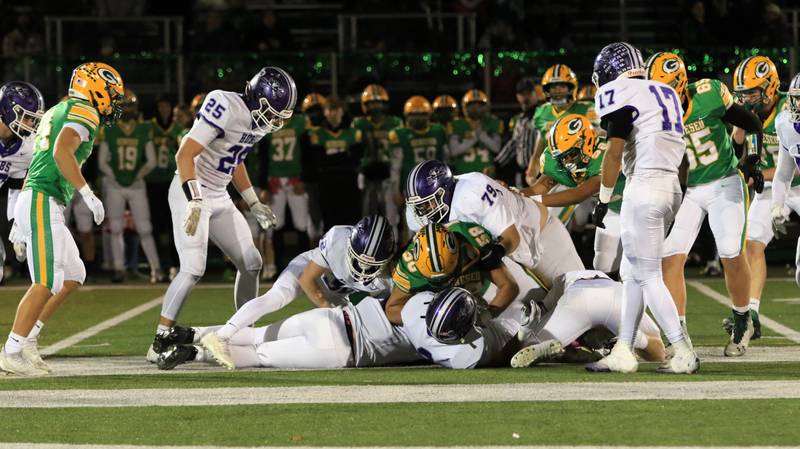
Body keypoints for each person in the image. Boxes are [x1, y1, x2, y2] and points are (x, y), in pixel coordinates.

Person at [147, 67, 294, 363]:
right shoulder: (225, 104)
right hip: (191, 189)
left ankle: (244, 333)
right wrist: (194, 198)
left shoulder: (257, 122)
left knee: (251, 263)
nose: (275, 121)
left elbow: (234, 159)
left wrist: (253, 202)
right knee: (193, 268)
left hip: (219, 194)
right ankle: (160, 340)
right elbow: (184, 154)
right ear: (257, 98)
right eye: (272, 113)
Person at [0, 63, 123, 376]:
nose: (113, 101)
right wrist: (87, 193)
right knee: (46, 281)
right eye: (111, 93)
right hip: (42, 198)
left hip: (39, 198)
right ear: (95, 89)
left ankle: (28, 338)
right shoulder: (85, 111)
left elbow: (36, 163)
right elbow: (60, 153)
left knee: (73, 274)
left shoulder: (59, 109)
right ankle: (11, 350)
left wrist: (18, 218)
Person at [156, 215, 398, 370]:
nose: (363, 269)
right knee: (276, 298)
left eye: (372, 264)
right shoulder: (338, 239)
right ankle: (222, 335)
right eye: (358, 259)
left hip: (338, 293)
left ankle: (190, 334)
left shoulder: (392, 278)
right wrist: (328, 310)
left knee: (266, 334)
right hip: (312, 272)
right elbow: (307, 279)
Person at [587, 42, 698, 374]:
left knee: (648, 274)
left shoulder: (619, 93)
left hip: (645, 185)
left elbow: (613, 153)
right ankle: (623, 349)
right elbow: (682, 156)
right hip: (671, 184)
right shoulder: (664, 91)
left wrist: (603, 199)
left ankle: (682, 350)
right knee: (631, 272)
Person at [647, 52, 764, 357]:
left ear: (680, 84)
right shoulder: (653, 114)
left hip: (724, 181)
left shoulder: (708, 94)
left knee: (730, 252)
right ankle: (678, 335)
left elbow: (751, 123)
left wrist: (752, 160)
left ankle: (743, 321)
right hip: (689, 190)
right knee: (670, 258)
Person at [404, 159, 584, 289]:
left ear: (444, 191)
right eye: (418, 207)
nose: (422, 212)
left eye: (426, 204)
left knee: (576, 293)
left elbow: (511, 238)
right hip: (510, 255)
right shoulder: (417, 215)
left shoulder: (472, 193)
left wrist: (495, 252)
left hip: (538, 234)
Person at [518, 114, 625, 272]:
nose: (567, 162)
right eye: (562, 157)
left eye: (571, 154)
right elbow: (537, 188)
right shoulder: (564, 161)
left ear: (587, 142)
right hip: (612, 210)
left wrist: (537, 200)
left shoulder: (605, 153)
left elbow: (580, 193)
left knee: (636, 263)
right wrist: (515, 193)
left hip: (637, 206)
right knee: (603, 264)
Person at [511, 270, 666, 368]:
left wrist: (527, 331)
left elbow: (543, 312)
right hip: (616, 297)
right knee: (656, 351)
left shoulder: (563, 278)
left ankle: (548, 348)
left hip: (578, 297)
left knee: (525, 348)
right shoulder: (620, 288)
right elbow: (659, 353)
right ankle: (631, 338)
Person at [735, 56, 787, 341]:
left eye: (753, 92)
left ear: (770, 86)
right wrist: (740, 122)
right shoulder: (749, 112)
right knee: (752, 246)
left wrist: (759, 174)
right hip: (770, 188)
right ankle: (752, 314)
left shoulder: (792, 108)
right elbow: (738, 148)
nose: (748, 99)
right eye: (744, 93)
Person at [97, 89, 161, 283]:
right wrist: (118, 177)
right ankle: (119, 268)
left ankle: (155, 268)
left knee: (144, 228)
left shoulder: (143, 129)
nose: (126, 110)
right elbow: (102, 162)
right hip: (117, 185)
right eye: (123, 106)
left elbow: (152, 160)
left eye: (129, 106)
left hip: (133, 185)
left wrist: (136, 176)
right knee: (116, 227)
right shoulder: (109, 129)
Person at [260, 94, 311, 280]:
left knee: (302, 225)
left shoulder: (300, 123)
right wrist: (264, 185)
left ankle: (306, 269)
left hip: (295, 179)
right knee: (276, 226)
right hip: (275, 180)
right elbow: (263, 157)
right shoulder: (268, 123)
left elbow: (307, 153)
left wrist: (304, 179)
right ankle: (281, 269)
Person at [387, 96, 447, 238]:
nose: (418, 118)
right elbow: (396, 167)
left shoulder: (438, 131)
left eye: (421, 114)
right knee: (413, 227)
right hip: (413, 186)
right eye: (414, 115)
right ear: (406, 116)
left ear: (429, 115)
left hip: (436, 184)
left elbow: (445, 160)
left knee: (441, 221)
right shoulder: (400, 134)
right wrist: (396, 190)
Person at [526, 64, 598, 182]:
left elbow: (599, 143)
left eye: (562, 86)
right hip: (555, 174)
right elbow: (538, 152)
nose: (557, 91)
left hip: (584, 172)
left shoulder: (587, 109)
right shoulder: (542, 112)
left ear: (571, 88)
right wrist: (531, 175)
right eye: (553, 87)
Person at [0, 81, 42, 282]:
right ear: (7, 111)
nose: (31, 125)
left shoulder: (25, 148)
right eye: (26, 117)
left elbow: (16, 189)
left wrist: (17, 225)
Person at [302, 96, 363, 231]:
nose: (333, 113)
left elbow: (355, 160)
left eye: (336, 109)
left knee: (350, 222)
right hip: (327, 183)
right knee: (329, 223)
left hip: (348, 183)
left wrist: (331, 159)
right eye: (330, 110)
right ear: (325, 112)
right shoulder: (317, 134)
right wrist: (343, 157)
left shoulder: (353, 133)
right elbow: (319, 160)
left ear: (342, 111)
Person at [352, 84, 403, 225]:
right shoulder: (359, 123)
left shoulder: (395, 122)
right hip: (367, 171)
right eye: (372, 104)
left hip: (389, 170)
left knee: (391, 213)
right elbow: (356, 150)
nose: (375, 107)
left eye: (378, 103)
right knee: (368, 212)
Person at [147, 94, 184, 278]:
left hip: (171, 181)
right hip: (152, 181)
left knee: (172, 225)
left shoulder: (178, 129)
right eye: (161, 106)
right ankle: (158, 266)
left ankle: (175, 265)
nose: (164, 110)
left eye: (167, 106)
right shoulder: (149, 127)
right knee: (154, 226)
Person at [770, 73, 800, 288]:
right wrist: (777, 206)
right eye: (796, 98)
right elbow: (783, 173)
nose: (798, 104)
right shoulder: (785, 125)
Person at [495, 78, 540, 188]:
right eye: (522, 94)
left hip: (540, 173)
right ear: (517, 97)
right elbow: (513, 144)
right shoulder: (520, 119)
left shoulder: (543, 115)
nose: (525, 98)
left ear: (535, 94)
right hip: (522, 172)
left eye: (528, 93)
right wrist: (496, 164)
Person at [447, 89, 503, 175]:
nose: (476, 109)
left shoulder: (492, 122)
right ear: (465, 107)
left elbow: (496, 148)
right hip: (464, 174)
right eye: (472, 105)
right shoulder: (457, 124)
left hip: (486, 174)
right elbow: (454, 151)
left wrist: (480, 134)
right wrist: (475, 138)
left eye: (479, 105)